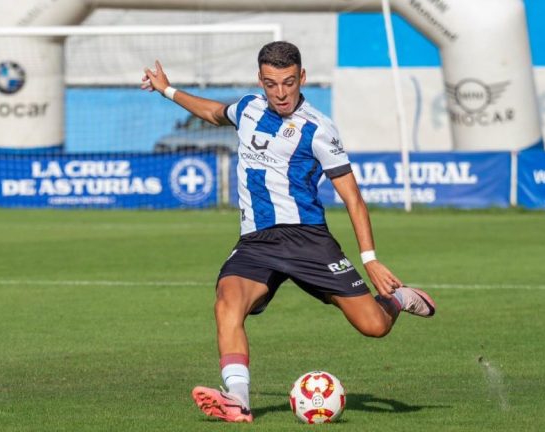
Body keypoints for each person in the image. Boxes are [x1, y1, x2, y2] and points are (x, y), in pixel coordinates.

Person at [141, 41, 436, 423]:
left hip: (308, 240)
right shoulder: (248, 108)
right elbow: (214, 113)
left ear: (303, 78)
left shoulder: (318, 129)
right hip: (256, 242)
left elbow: (353, 198)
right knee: (227, 303)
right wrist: (167, 90)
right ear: (260, 81)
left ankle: (399, 300)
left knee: (373, 326)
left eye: (288, 82)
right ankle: (239, 400)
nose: (280, 92)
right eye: (271, 83)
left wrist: (371, 260)